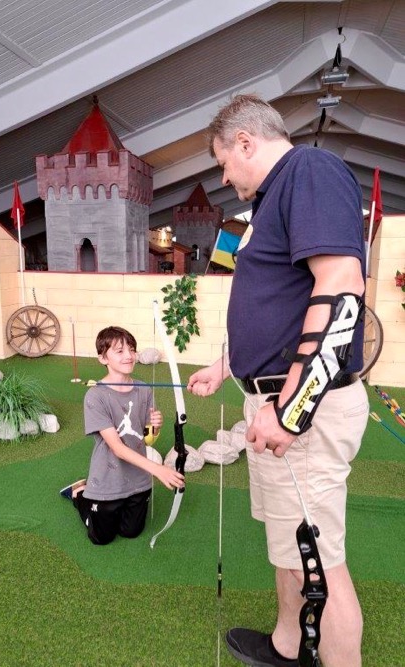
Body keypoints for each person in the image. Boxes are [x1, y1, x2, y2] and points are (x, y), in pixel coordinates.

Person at [187, 94, 368, 667]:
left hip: (300, 414)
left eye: (223, 162)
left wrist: (291, 410)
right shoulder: (273, 200)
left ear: (245, 141)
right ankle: (288, 645)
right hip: (273, 404)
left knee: (319, 564)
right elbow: (278, 303)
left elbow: (341, 287)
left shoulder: (309, 171)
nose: (224, 177)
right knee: (292, 550)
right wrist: (228, 365)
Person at [60, 325, 184, 545]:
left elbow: (146, 438)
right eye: (119, 351)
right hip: (108, 478)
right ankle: (79, 493)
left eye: (132, 349)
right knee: (101, 538)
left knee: (131, 531)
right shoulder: (95, 396)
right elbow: (117, 448)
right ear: (103, 358)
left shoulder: (144, 389)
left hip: (138, 478)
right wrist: (158, 469)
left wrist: (155, 427)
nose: (129, 355)